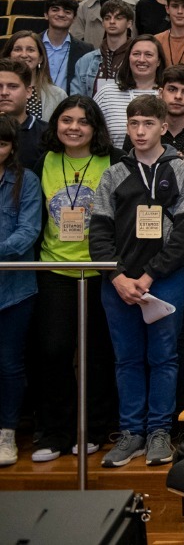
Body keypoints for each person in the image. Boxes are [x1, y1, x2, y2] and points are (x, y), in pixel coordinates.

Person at [88, 95, 184, 467]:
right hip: (118, 285)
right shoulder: (114, 173)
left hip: (164, 281)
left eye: (148, 124)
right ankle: (131, 432)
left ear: (163, 127)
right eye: (134, 124)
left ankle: (158, 432)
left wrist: (151, 274)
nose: (140, 131)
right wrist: (118, 276)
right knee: (127, 359)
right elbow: (98, 232)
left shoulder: (181, 171)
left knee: (164, 357)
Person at [29, 96, 121, 462]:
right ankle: (56, 433)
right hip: (54, 270)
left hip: (101, 271)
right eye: (66, 120)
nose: (74, 128)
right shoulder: (45, 162)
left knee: (99, 353)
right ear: (56, 125)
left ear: (95, 128)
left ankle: (95, 429)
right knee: (53, 352)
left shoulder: (112, 162)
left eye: (83, 122)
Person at [0, 114, 44, 467]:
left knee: (10, 364)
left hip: (14, 290)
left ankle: (7, 432)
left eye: (2, 143)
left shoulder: (25, 181)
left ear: (12, 148)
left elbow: (27, 233)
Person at [94, 35, 166, 147]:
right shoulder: (106, 93)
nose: (141, 60)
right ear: (128, 58)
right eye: (136, 54)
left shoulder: (168, 95)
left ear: (158, 61)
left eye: (148, 55)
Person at [1, 30, 67, 120]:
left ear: (40, 58)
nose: (24, 55)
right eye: (17, 49)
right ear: (8, 56)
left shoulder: (58, 95)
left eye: (30, 50)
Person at [41, 0, 93, 94]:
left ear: (74, 18)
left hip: (69, 106)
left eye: (67, 12)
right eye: (55, 10)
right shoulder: (32, 44)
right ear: (46, 14)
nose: (61, 14)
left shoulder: (85, 50)